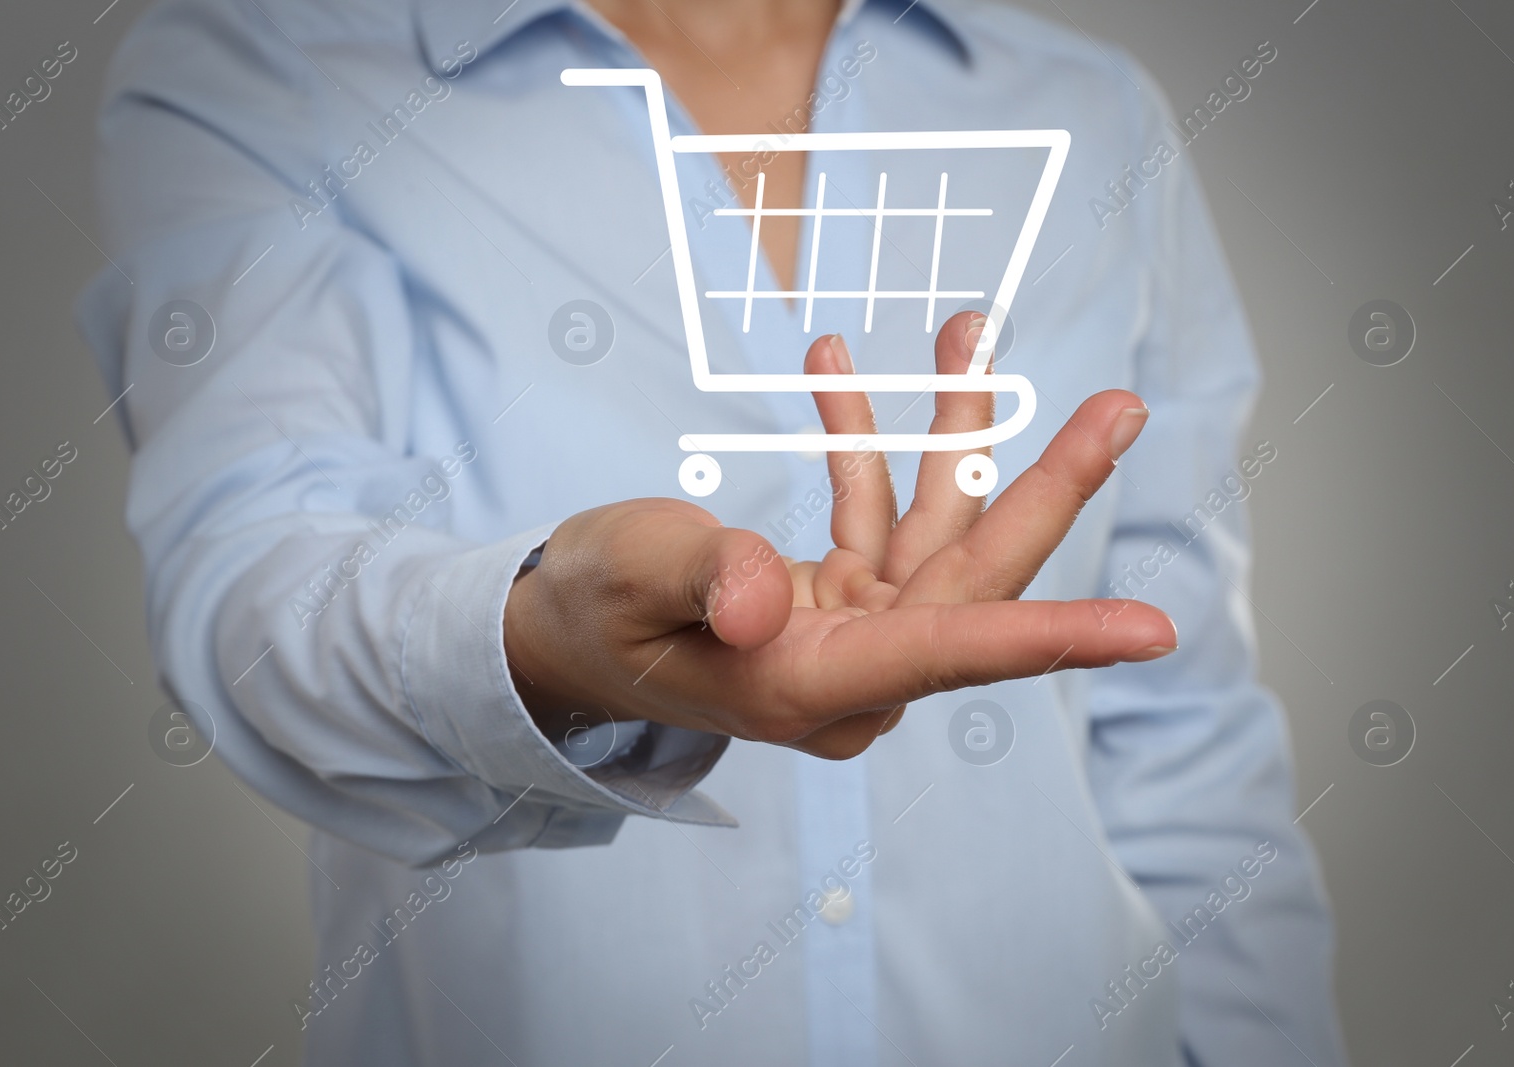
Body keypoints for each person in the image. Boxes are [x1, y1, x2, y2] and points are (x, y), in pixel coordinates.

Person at [77, 0, 1347, 1063]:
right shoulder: (269, 62)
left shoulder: (1089, 110)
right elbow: (254, 587)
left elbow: (1185, 743)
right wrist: (540, 639)